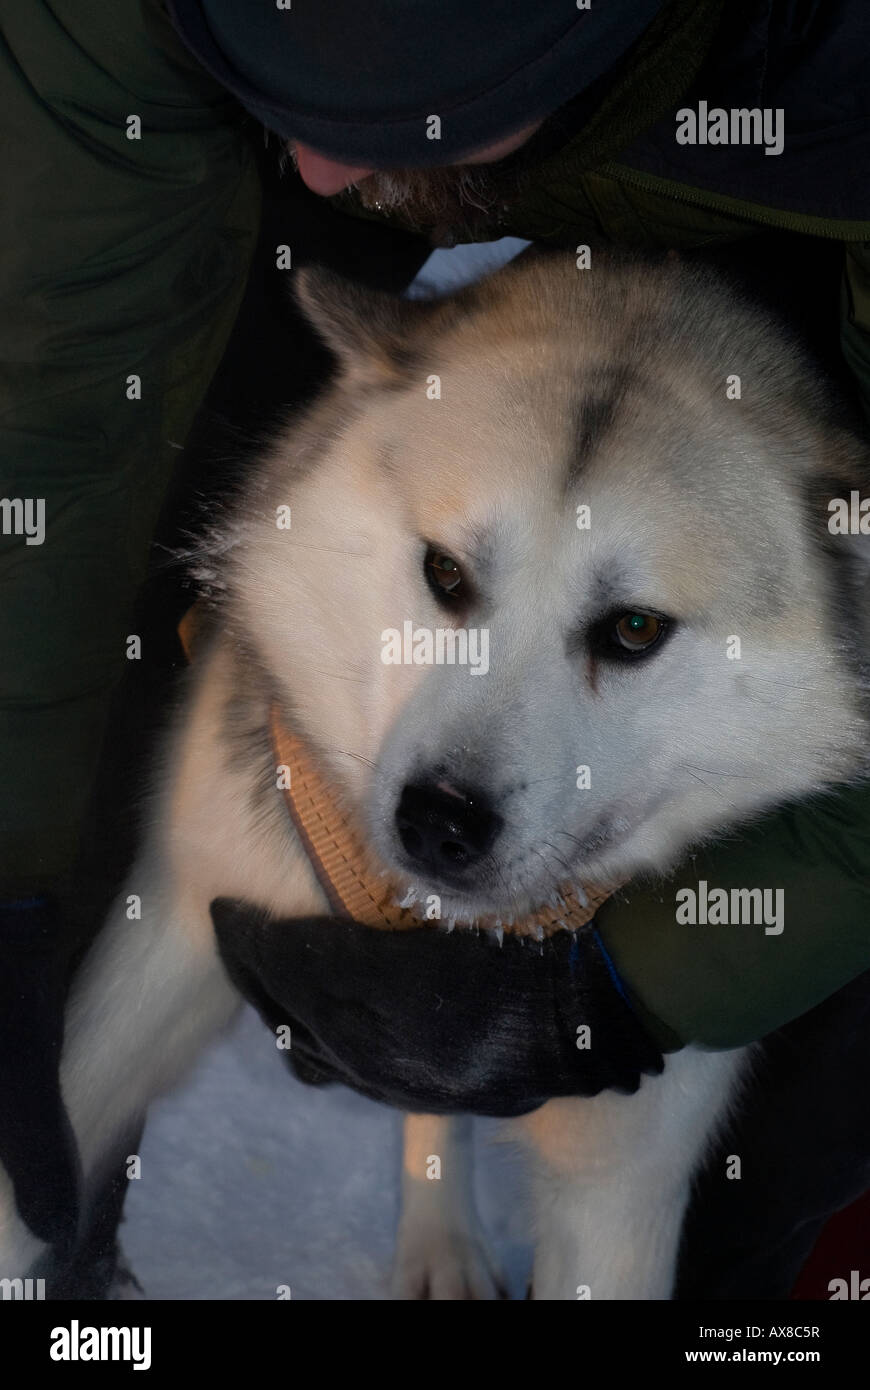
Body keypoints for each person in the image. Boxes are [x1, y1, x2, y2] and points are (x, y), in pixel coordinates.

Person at [3, 0, 870, 1283]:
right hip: (494, 187)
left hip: (804, 194)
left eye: (625, 631)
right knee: (141, 558)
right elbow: (48, 407)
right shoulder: (144, 43)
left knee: (799, 1092)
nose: (320, 167)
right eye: (452, 578)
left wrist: (630, 994)